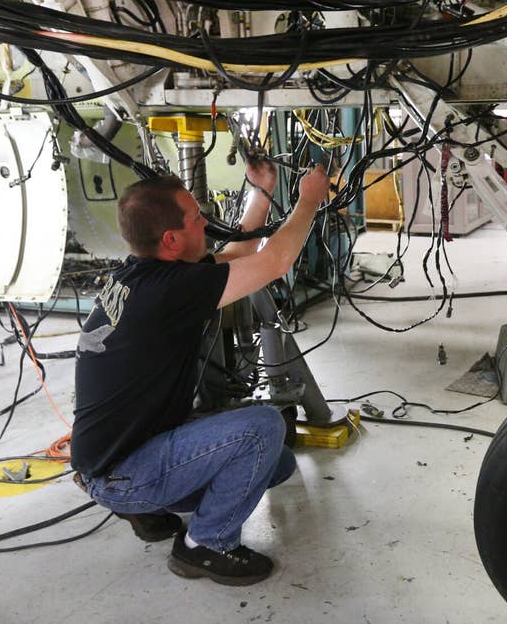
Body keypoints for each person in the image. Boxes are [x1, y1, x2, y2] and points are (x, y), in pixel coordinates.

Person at [70, 158, 332, 586]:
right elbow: (276, 262)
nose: (205, 223)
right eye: (196, 218)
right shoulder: (169, 291)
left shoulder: (144, 273)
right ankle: (205, 545)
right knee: (261, 428)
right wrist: (309, 200)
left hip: (111, 454)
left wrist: (262, 190)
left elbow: (236, 254)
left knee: (277, 464)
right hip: (120, 470)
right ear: (171, 239)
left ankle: (144, 506)